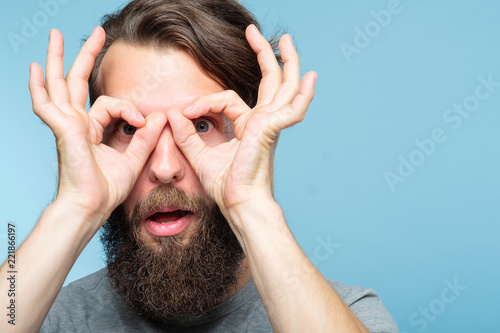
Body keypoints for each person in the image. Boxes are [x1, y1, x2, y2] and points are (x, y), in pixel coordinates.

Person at [1, 0, 398, 331]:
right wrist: (74, 208)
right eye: (128, 127)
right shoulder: (44, 317)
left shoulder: (348, 313)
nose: (164, 167)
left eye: (202, 125)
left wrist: (249, 205)